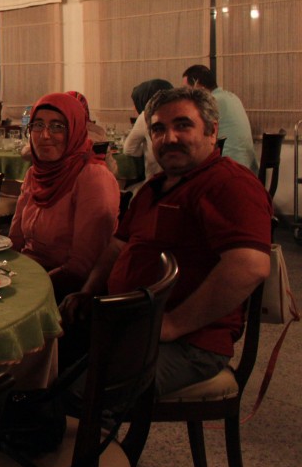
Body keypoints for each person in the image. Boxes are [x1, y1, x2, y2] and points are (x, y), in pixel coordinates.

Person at [62, 87, 271, 395]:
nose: (169, 138)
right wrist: (88, 290)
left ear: (212, 131)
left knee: (78, 392)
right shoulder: (155, 186)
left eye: (183, 125)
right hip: (126, 322)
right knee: (43, 356)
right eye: (159, 129)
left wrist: (173, 324)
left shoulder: (229, 184)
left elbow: (250, 265)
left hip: (188, 343)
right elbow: (118, 245)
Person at [8, 93, 120, 302]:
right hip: (28, 273)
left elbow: (81, 267)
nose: (45, 135)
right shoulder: (35, 173)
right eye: (38, 125)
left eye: (57, 126)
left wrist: (24, 287)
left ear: (75, 131)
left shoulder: (93, 177)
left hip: (68, 292)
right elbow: (15, 240)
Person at [182, 64, 258, 173]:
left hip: (229, 170)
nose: (186, 95)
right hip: (248, 169)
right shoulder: (232, 97)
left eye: (187, 90)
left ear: (198, 86)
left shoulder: (210, 102)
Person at [123, 79, 173, 182]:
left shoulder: (146, 116)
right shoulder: (180, 112)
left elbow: (129, 149)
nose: (133, 108)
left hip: (154, 182)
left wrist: (145, 148)